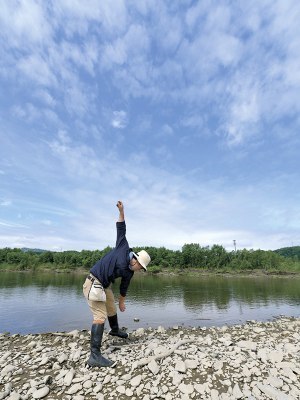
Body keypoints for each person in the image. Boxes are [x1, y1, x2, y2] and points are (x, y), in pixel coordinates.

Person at [83, 201, 151, 368]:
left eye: (142, 269)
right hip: (93, 283)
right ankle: (95, 356)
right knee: (100, 317)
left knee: (112, 308)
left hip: (104, 285)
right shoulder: (123, 247)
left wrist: (122, 301)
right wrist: (122, 211)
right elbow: (121, 227)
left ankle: (114, 330)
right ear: (135, 259)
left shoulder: (130, 271)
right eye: (140, 266)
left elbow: (124, 286)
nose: (139, 270)